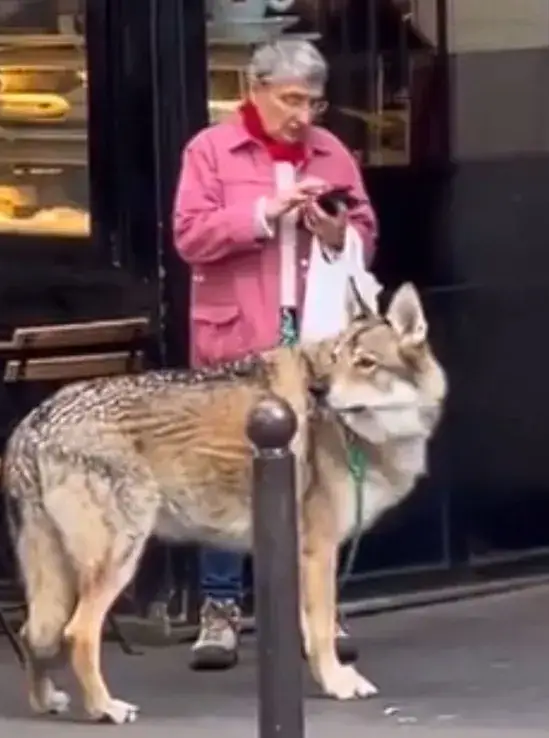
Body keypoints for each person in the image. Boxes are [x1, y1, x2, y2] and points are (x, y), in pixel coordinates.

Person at [173, 38, 377, 671]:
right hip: (239, 334)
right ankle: (220, 607)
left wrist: (339, 230)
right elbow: (189, 235)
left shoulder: (332, 152)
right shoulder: (210, 150)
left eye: (314, 102)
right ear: (254, 89)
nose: (303, 115)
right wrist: (262, 214)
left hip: (315, 341)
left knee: (317, 469)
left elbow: (366, 230)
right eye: (291, 99)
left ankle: (317, 608)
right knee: (228, 467)